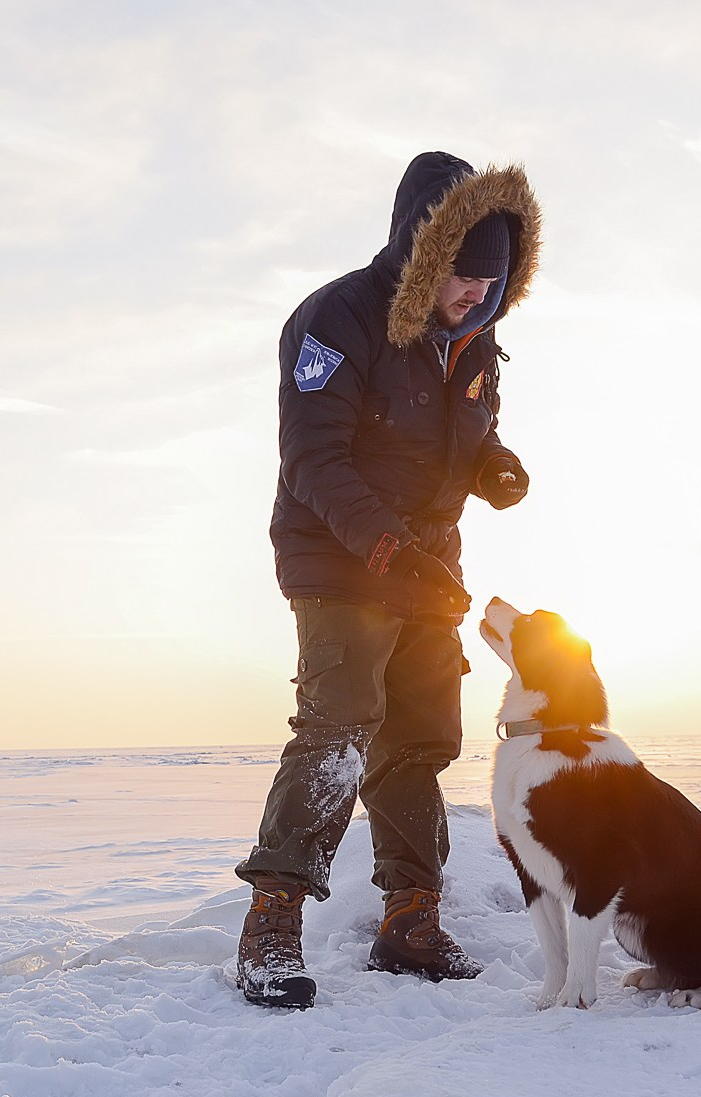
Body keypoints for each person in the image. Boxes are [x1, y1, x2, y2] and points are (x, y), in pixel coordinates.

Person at [233, 150, 542, 1009]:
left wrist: (495, 465)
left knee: (420, 738)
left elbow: (461, 439)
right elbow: (314, 457)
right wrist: (383, 547)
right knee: (338, 731)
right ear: (420, 251)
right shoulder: (339, 320)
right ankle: (272, 923)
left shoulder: (476, 340)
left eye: (492, 282)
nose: (476, 296)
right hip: (340, 558)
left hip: (430, 568)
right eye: (460, 278)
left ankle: (410, 917)